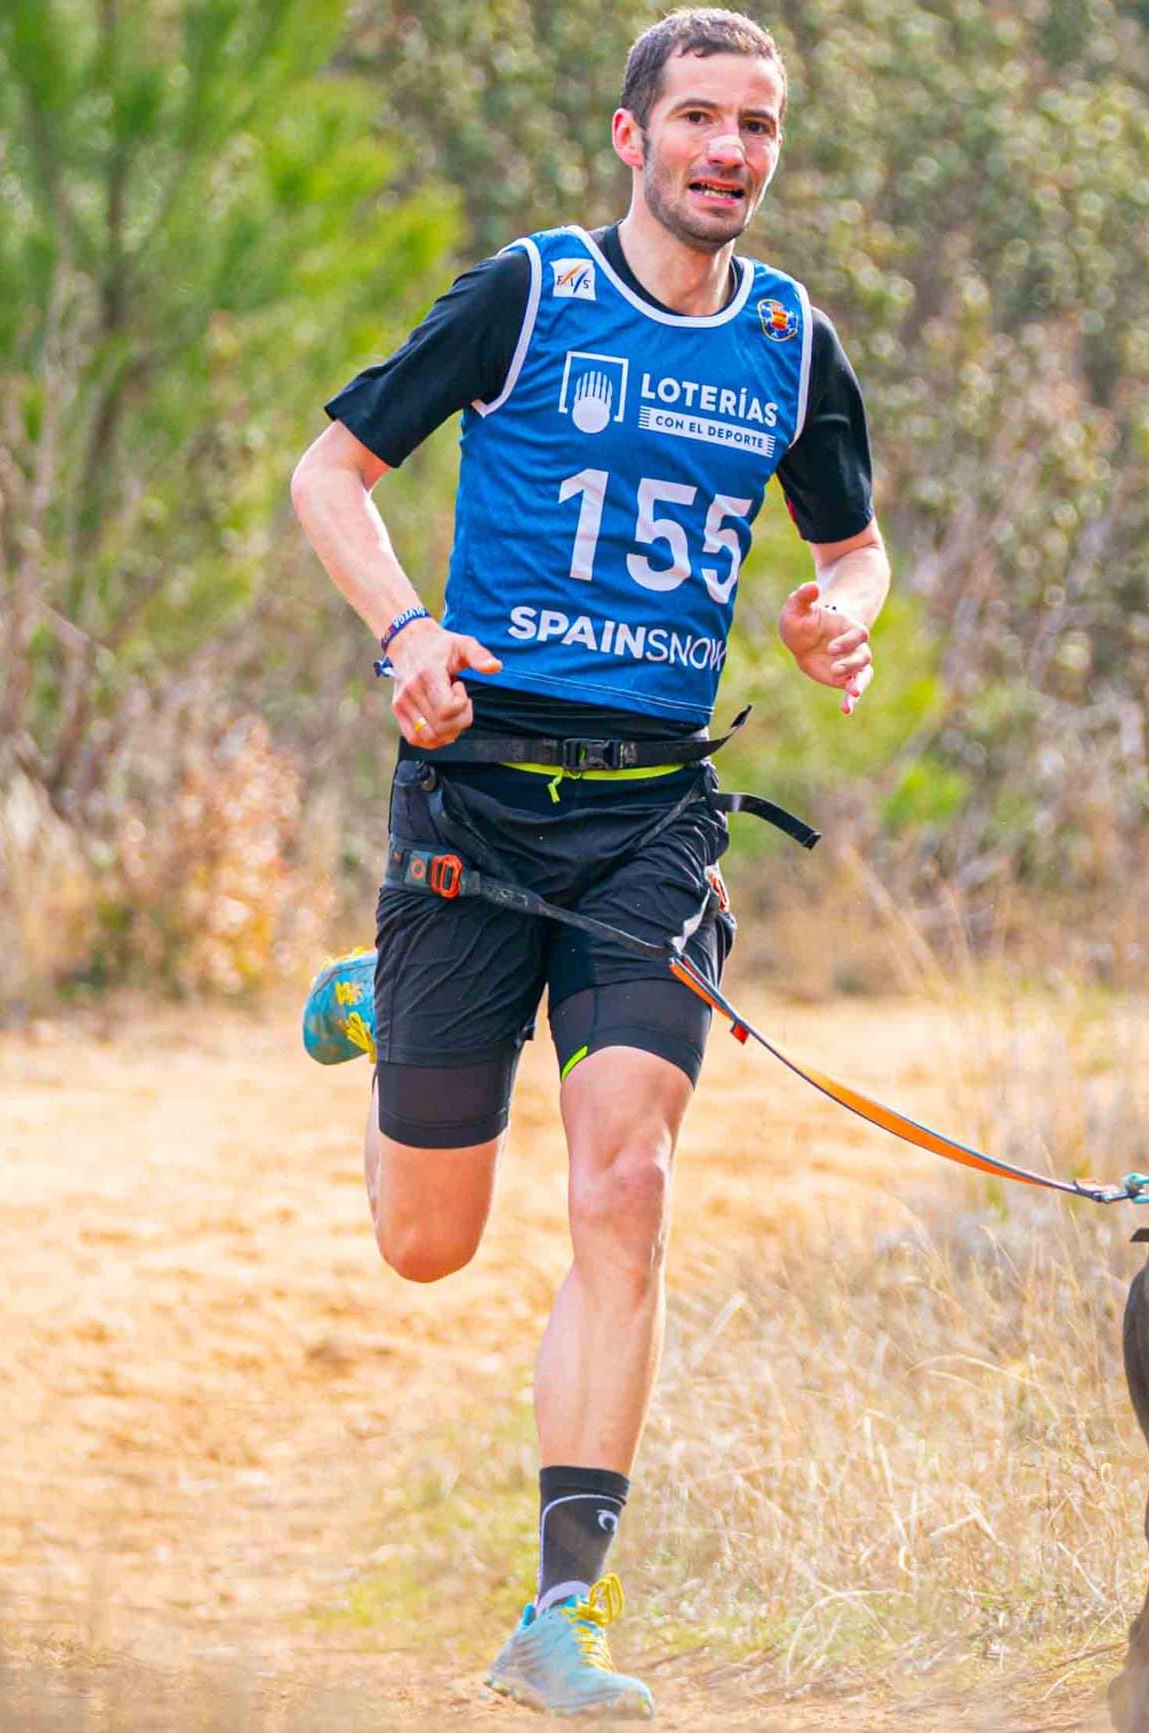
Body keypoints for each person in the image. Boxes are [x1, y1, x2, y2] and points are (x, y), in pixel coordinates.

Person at [283, 8, 880, 1716]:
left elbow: (856, 538)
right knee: (424, 1242)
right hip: (472, 809)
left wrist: (845, 608)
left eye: (756, 126)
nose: (729, 152)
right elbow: (330, 471)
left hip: (652, 817)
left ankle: (563, 1612)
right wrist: (405, 629)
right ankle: (390, 1007)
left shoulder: (787, 337)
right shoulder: (530, 295)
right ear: (634, 139)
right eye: (698, 119)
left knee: (626, 1183)